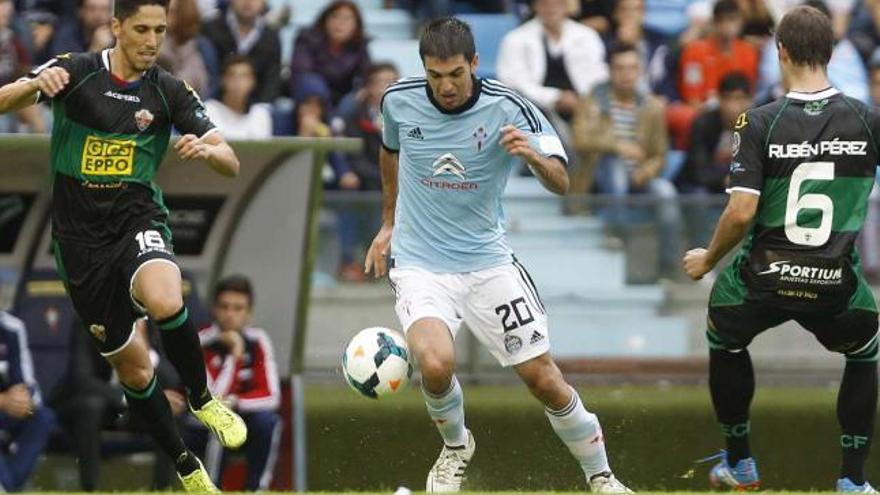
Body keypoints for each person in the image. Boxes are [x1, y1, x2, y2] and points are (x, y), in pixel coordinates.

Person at [364, 17, 632, 494]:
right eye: (435, 76)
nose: (445, 86)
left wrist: (531, 155)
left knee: (544, 380)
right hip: (421, 262)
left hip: (488, 263)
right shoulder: (398, 100)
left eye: (455, 74)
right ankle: (455, 448)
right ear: (423, 68)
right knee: (434, 361)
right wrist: (388, 223)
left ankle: (602, 477)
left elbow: (563, 182)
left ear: (474, 63)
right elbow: (390, 151)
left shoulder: (509, 107)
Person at [0, 0, 247, 491]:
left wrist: (208, 150)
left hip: (136, 218)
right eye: (141, 29)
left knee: (165, 296)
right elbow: (5, 97)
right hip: (79, 244)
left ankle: (200, 396)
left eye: (160, 29)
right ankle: (184, 465)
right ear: (116, 27)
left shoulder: (169, 90)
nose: (152, 40)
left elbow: (231, 160)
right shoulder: (76, 71)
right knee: (134, 372)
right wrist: (34, 85)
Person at [683, 6, 880, 491]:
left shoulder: (758, 121)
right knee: (863, 351)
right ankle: (852, 482)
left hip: (762, 279)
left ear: (781, 52)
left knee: (724, 334)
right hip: (834, 281)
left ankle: (740, 463)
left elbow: (741, 212)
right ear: (832, 53)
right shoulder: (867, 119)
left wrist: (707, 257)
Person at [571, 42, 680, 278]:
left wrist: (647, 172)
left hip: (638, 178)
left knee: (666, 192)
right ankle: (619, 235)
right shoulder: (593, 99)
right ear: (610, 71)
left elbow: (659, 154)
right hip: (597, 180)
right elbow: (579, 139)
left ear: (640, 71)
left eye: (631, 68)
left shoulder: (651, 107)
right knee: (614, 162)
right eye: (620, 68)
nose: (626, 74)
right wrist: (618, 146)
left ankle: (670, 266)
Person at [197, 275, 281, 491]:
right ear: (214, 309)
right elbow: (214, 398)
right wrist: (235, 356)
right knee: (220, 422)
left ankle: (257, 489)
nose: (230, 314)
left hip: (244, 416)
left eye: (238, 308)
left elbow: (272, 396)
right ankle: (211, 488)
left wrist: (235, 402)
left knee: (269, 422)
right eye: (224, 307)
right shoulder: (201, 342)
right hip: (202, 423)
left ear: (248, 313)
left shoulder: (258, 340)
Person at [332, 62, 399, 282]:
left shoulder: (408, 114)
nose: (386, 88)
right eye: (381, 82)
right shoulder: (353, 114)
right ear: (368, 87)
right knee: (350, 197)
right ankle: (350, 262)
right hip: (365, 179)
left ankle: (395, 266)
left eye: (392, 82)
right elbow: (351, 154)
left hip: (398, 181)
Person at [496, 0, 607, 121]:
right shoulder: (515, 39)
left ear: (566, 7)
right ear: (535, 7)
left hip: (583, 106)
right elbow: (513, 82)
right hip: (533, 110)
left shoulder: (587, 36)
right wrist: (555, 98)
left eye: (557, 4)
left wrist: (583, 102)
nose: (551, 9)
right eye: (545, 4)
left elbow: (599, 75)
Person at [0, 311, 54, 492]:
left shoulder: (12, 328)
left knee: (42, 417)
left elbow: (29, 386)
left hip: (6, 414)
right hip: (3, 404)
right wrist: (3, 400)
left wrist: (24, 400)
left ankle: (8, 485)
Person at [290, 0, 371, 110]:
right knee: (311, 83)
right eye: (335, 16)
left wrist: (363, 90)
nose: (340, 23)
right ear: (325, 20)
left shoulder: (359, 45)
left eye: (347, 19)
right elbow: (302, 72)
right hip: (310, 97)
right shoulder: (307, 38)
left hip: (342, 98)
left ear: (356, 25)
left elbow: (367, 75)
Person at [203, 0, 281, 103]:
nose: (248, 2)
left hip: (255, 109)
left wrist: (261, 110)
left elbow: (272, 82)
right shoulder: (210, 29)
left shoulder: (271, 37)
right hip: (213, 105)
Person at [205, 55, 273, 139]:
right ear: (222, 80)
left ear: (252, 82)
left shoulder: (260, 114)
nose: (238, 82)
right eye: (232, 76)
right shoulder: (208, 110)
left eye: (244, 76)